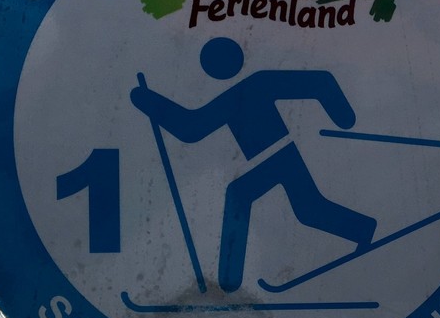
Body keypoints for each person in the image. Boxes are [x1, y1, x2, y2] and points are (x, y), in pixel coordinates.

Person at [130, 37, 376, 292]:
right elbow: (191, 128)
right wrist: (147, 101)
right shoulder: (248, 88)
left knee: (290, 206)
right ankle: (229, 280)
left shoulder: (252, 86)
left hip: (280, 155)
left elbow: (191, 128)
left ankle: (229, 280)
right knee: (280, 203)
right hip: (273, 158)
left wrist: (344, 116)